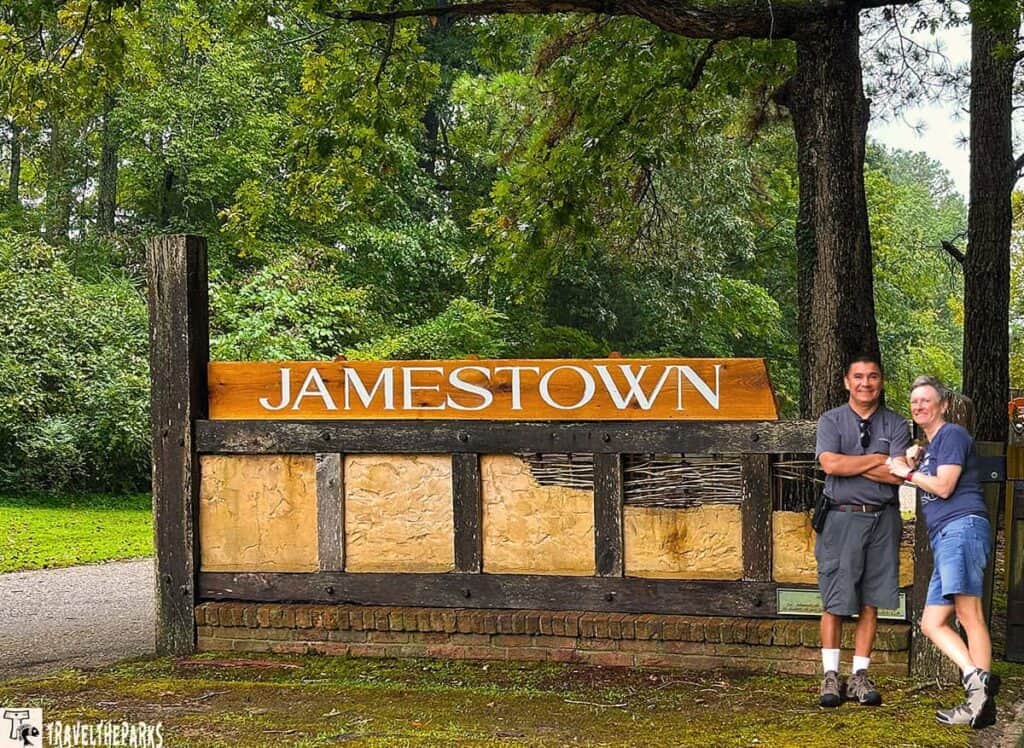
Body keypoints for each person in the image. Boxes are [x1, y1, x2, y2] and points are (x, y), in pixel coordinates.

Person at [888, 376, 998, 728]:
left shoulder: (952, 435)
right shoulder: (933, 445)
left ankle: (979, 699)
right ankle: (978, 685)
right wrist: (916, 459)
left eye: (926, 400)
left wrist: (907, 473)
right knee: (931, 623)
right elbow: (930, 472)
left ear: (944, 405)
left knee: (969, 616)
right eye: (914, 401)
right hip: (947, 537)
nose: (919, 406)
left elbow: (945, 486)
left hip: (961, 528)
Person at [814, 355, 911, 708]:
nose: (865, 383)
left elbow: (898, 475)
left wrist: (851, 464)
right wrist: (877, 459)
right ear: (846, 381)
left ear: (880, 381)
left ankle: (859, 676)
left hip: (883, 520)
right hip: (841, 519)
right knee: (836, 599)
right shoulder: (831, 421)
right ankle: (829, 676)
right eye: (858, 377)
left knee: (871, 599)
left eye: (872, 377)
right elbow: (830, 463)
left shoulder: (896, 424)